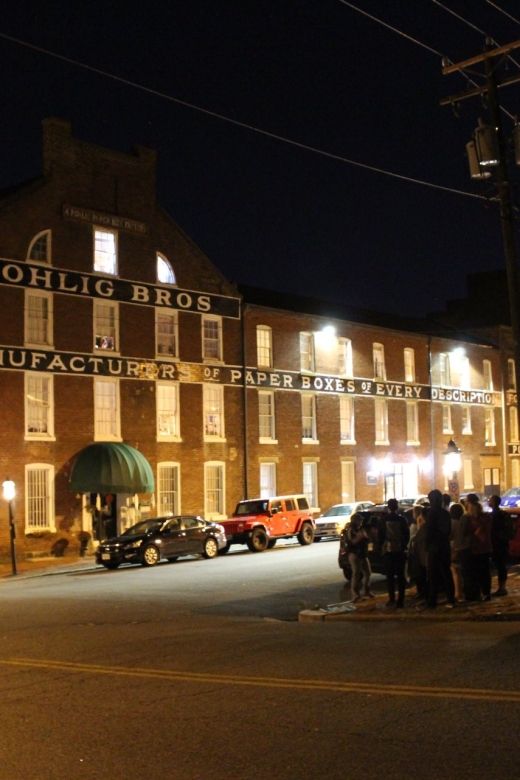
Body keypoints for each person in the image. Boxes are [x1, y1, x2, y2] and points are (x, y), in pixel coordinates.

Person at [421, 489, 455, 610]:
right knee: (446, 573)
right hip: (444, 546)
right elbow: (448, 531)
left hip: (434, 547)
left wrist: (427, 544)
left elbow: (429, 531)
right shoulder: (446, 513)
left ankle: (432, 601)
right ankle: (451, 598)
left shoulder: (431, 513)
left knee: (433, 575)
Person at [377, 498, 410, 608]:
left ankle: (392, 599)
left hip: (388, 551)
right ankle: (401, 600)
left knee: (390, 577)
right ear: (397, 507)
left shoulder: (383, 520)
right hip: (399, 551)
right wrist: (403, 545)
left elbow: (380, 537)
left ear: (388, 507)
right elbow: (407, 535)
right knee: (400, 577)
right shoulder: (402, 520)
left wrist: (380, 549)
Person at [465, 493, 492, 601]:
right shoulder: (486, 516)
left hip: (476, 547)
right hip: (486, 547)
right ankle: (486, 592)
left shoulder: (471, 517)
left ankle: (480, 593)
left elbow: (470, 532)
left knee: (477, 571)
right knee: (485, 571)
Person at [344, 512, 374, 602]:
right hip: (355, 554)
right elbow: (352, 542)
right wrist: (360, 537)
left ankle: (366, 591)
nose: (361, 521)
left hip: (362, 554)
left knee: (368, 572)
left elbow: (366, 538)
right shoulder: (351, 530)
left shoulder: (359, 529)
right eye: (360, 520)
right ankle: (355, 596)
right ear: (356, 521)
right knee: (356, 575)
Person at [488, 494, 512, 597]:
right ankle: (502, 587)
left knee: (499, 565)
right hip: (503, 542)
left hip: (496, 543)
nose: (488, 501)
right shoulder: (504, 514)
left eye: (490, 500)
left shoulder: (493, 515)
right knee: (501, 566)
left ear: (493, 502)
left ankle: (501, 588)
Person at [449, 502, 469, 602]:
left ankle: (458, 593)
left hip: (453, 548)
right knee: (462, 571)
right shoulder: (463, 521)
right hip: (463, 547)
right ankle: (463, 591)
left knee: (455, 571)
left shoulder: (452, 523)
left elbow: (449, 536)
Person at [408, 505, 428, 602]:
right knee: (422, 574)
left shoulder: (421, 526)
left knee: (421, 574)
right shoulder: (420, 525)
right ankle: (422, 592)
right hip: (421, 554)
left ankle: (423, 592)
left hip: (420, 554)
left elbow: (416, 539)